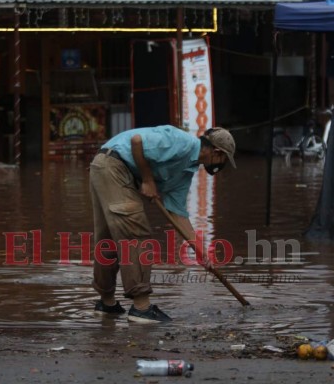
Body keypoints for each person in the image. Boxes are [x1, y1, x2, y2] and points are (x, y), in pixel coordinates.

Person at [89, 125, 236, 323]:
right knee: (136, 234)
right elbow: (137, 141)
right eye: (224, 159)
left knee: (108, 238)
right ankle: (141, 307)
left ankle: (106, 305)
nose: (222, 164)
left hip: (105, 166)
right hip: (112, 164)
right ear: (217, 152)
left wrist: (199, 250)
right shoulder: (181, 142)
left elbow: (177, 214)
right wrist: (148, 180)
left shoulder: (185, 173)